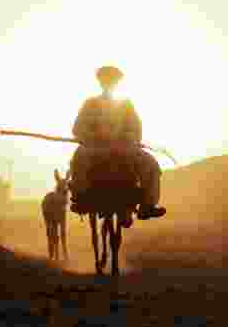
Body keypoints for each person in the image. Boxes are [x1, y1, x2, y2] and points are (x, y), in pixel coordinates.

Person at [69, 66, 166, 220]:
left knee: (151, 164)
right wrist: (93, 135)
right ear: (101, 82)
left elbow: (136, 128)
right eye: (106, 80)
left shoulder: (126, 104)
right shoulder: (90, 103)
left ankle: (148, 205)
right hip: (95, 148)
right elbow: (78, 128)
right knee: (80, 157)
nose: (109, 83)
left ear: (117, 83)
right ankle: (80, 198)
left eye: (112, 80)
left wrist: (129, 136)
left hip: (125, 149)